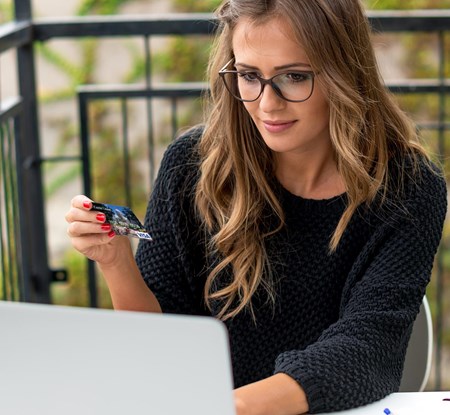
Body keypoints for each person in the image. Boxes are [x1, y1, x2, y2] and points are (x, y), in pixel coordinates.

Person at [65, 0, 447, 414]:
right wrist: (116, 262)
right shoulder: (191, 167)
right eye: (249, 76)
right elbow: (159, 346)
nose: (267, 104)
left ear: (345, 72)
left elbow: (368, 347)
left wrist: (232, 407)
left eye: (294, 76)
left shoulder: (409, 189)